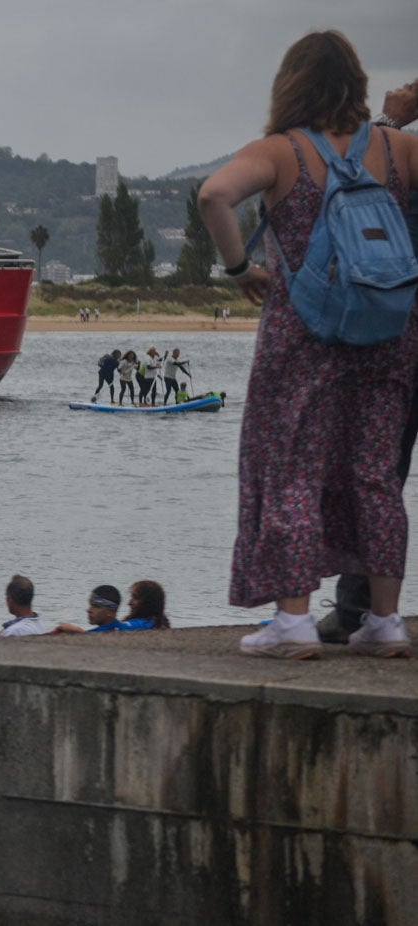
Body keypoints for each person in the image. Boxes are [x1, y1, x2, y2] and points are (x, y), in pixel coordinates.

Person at [197, 31, 418, 660]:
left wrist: (239, 268)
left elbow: (214, 193)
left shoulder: (281, 152)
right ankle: (385, 623)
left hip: (304, 339)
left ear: (290, 84)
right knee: (375, 476)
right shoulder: (399, 147)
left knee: (292, 471)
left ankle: (292, 621)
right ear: (357, 81)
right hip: (390, 335)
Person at [321, 77, 418, 647]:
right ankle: (359, 607)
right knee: (379, 470)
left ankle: (357, 609)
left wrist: (390, 124)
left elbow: (354, 182)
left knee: (376, 468)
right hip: (398, 326)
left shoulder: (394, 150)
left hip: (396, 327)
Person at [53, 585, 126, 633]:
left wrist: (78, 632)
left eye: (96, 606)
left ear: (111, 611)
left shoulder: (97, 634)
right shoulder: (130, 625)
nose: (88, 610)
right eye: (90, 604)